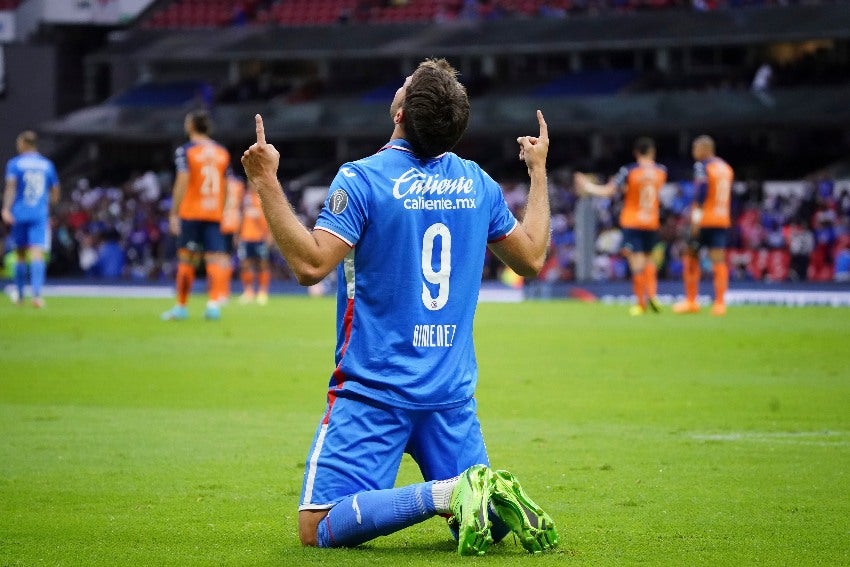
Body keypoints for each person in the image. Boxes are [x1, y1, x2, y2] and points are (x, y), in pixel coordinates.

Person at [241, 58, 558, 556]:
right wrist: (538, 171)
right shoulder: (477, 184)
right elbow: (533, 257)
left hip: (375, 389)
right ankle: (481, 495)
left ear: (400, 113)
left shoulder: (362, 179)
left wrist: (264, 180)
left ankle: (442, 493)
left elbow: (309, 265)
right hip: (449, 397)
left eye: (406, 85)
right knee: (484, 521)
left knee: (319, 524)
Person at [574, 137, 667, 316]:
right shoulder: (661, 171)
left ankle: (641, 304)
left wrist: (588, 186)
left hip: (633, 221)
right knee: (649, 259)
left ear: (636, 153)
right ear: (652, 152)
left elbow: (610, 191)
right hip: (652, 221)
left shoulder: (629, 171)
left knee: (636, 263)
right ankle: (653, 295)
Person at [161, 110, 232, 321]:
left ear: (191, 126)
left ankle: (181, 307)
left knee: (187, 259)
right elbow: (226, 184)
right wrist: (224, 208)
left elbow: (182, 180)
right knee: (215, 258)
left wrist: (174, 213)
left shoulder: (186, 151)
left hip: (192, 211)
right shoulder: (221, 152)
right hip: (214, 212)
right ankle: (213, 305)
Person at [673, 135, 734, 316]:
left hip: (704, 219)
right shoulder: (726, 168)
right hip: (721, 219)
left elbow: (701, 193)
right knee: (719, 261)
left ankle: (691, 301)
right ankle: (720, 304)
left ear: (705, 149)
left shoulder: (702, 166)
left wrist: (696, 220)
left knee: (691, 257)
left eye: (695, 148)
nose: (693, 152)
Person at [2, 130, 60, 308]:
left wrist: (5, 209)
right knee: (37, 253)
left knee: (19, 254)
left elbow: (11, 187)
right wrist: (50, 207)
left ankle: (20, 296)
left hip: (19, 213)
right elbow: (55, 189)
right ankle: (36, 296)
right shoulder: (47, 165)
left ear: (24, 144)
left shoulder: (15, 164)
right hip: (39, 213)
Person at [236, 181, 273, 305]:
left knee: (262, 264)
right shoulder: (244, 199)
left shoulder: (264, 199)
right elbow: (240, 216)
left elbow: (270, 219)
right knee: (245, 264)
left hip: (260, 237)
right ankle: (248, 291)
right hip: (246, 237)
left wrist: (269, 235)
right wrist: (237, 234)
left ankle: (262, 292)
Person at [220, 172, 246, 303]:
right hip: (234, 223)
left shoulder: (222, 183)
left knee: (221, 259)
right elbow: (242, 208)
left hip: (221, 223)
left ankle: (222, 291)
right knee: (227, 259)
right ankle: (224, 292)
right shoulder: (239, 185)